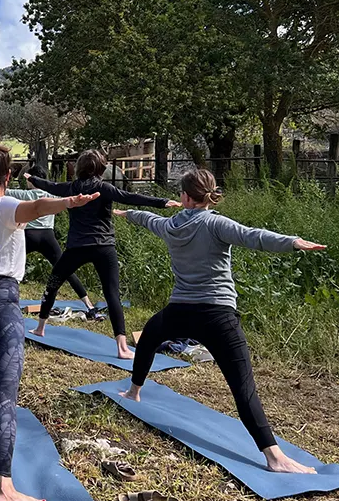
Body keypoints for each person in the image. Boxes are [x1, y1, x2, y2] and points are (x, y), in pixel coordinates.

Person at [114, 168, 325, 475]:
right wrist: (293, 242)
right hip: (218, 316)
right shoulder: (215, 223)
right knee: (243, 387)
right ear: (209, 195)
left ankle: (134, 391)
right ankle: (274, 456)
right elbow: (255, 237)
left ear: (184, 197)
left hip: (180, 311)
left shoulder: (171, 225)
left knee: (149, 336)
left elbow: (149, 219)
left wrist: (127, 212)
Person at [0, 132, 99, 501]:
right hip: (1, 302)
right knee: (8, 401)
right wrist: (71, 201)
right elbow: (41, 205)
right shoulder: (5, 207)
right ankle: (4, 488)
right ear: (8, 175)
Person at [29, 150, 182, 359]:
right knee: (112, 294)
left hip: (77, 247)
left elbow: (50, 186)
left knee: (53, 283)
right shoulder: (104, 188)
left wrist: (32, 177)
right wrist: (162, 202)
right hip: (104, 247)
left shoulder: (72, 188)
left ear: (80, 168)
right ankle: (122, 348)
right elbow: (130, 197)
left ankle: (40, 328)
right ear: (101, 169)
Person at [6, 164, 97, 317]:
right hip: (48, 237)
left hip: (28, 236)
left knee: (10, 266)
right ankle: (89, 304)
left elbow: (0, 192)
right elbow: (72, 197)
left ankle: (3, 300)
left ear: (31, 180)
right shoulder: (52, 195)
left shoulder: (23, 194)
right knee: (66, 270)